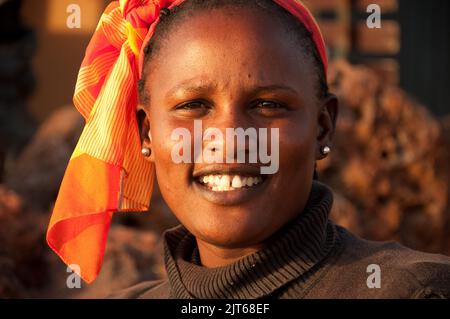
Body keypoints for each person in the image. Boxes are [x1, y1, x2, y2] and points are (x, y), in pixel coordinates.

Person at [47, 0, 450, 299]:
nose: (229, 136)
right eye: (193, 106)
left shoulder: (414, 290)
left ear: (323, 127)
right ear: (147, 134)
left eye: (267, 105)